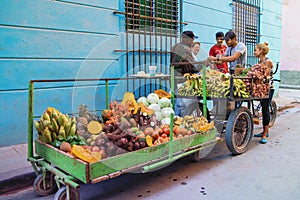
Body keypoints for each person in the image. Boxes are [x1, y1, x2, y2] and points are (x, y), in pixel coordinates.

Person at [170, 31, 199, 117]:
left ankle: (176, 123)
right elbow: (190, 67)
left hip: (174, 78)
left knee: (177, 103)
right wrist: (206, 63)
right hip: (182, 80)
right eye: (192, 39)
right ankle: (182, 123)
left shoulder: (175, 46)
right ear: (188, 39)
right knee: (184, 106)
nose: (193, 41)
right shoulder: (185, 50)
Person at [253, 42, 274, 144]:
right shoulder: (259, 62)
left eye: (255, 50)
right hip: (261, 88)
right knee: (262, 106)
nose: (254, 52)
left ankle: (265, 134)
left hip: (268, 88)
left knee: (265, 109)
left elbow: (265, 75)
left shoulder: (267, 61)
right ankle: (264, 131)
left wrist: (258, 75)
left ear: (261, 51)